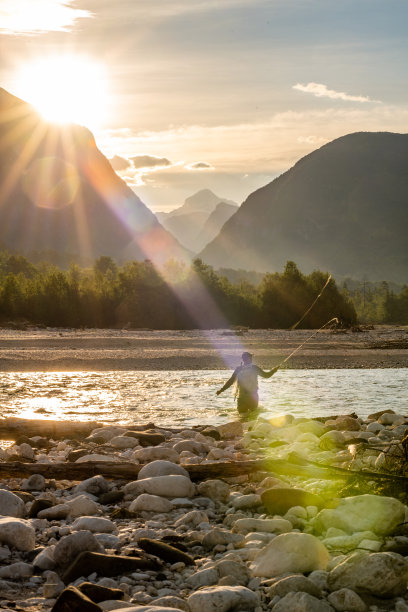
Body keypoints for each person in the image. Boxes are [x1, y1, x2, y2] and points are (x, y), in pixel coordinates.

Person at [216, 351, 279, 416]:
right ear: (245, 359)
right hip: (249, 397)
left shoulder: (240, 369)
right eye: (250, 357)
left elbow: (231, 381)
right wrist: (274, 370)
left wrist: (221, 390)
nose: (251, 359)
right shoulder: (252, 368)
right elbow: (266, 375)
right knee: (252, 416)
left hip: (243, 397)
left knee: (242, 417)